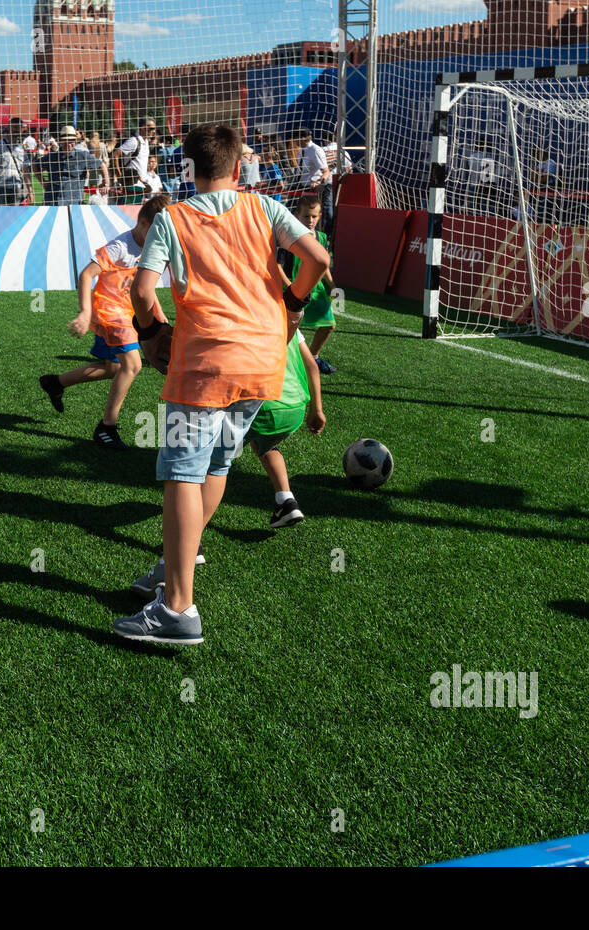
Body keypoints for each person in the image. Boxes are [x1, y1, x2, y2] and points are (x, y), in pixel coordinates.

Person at [114, 123, 330, 645]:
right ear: (238, 168)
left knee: (182, 476)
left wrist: (151, 333)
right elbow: (318, 260)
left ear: (187, 167)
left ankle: (178, 608)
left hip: (206, 364)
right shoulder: (265, 208)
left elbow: (142, 291)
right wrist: (294, 305)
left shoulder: (173, 218)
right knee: (215, 465)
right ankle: (172, 573)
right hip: (263, 362)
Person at [39, 193, 173, 448]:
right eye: (156, 232)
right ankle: (106, 428)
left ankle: (56, 382)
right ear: (143, 223)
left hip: (126, 312)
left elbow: (147, 283)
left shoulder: (151, 246)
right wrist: (85, 312)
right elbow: (87, 274)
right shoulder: (120, 246)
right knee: (132, 366)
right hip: (109, 312)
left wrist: (158, 312)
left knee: (114, 367)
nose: (160, 239)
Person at [243, 327, 325, 528]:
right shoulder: (289, 322)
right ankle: (286, 500)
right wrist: (317, 410)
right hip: (294, 409)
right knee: (264, 443)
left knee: (211, 464)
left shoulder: (246, 315)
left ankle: (192, 543)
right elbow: (312, 366)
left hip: (260, 405)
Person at [281, 194, 337, 374]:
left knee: (329, 325)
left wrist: (332, 285)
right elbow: (277, 265)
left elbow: (324, 263)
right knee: (286, 329)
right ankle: (281, 361)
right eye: (306, 216)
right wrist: (288, 285)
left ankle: (313, 358)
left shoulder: (321, 237)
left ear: (320, 216)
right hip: (293, 288)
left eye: (314, 216)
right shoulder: (288, 236)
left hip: (316, 289)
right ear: (296, 215)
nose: (310, 220)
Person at [38, 125, 109, 205]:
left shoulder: (82, 156)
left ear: (75, 141)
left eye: (71, 141)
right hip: (52, 202)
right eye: (65, 141)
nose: (68, 144)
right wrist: (43, 181)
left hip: (74, 203)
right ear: (60, 141)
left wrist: (105, 183)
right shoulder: (52, 157)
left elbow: (102, 165)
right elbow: (35, 165)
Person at [0, 117, 29, 204]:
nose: (17, 130)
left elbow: (25, 170)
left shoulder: (22, 149)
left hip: (16, 187)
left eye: (19, 127)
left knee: (14, 215)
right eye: (15, 127)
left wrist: (30, 190)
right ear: (9, 127)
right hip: (0, 187)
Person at [117, 117, 157, 193]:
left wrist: (145, 182)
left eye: (154, 128)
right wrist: (119, 175)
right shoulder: (133, 141)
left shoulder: (146, 142)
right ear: (142, 128)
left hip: (141, 185)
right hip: (131, 185)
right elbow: (115, 155)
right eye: (151, 128)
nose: (154, 131)